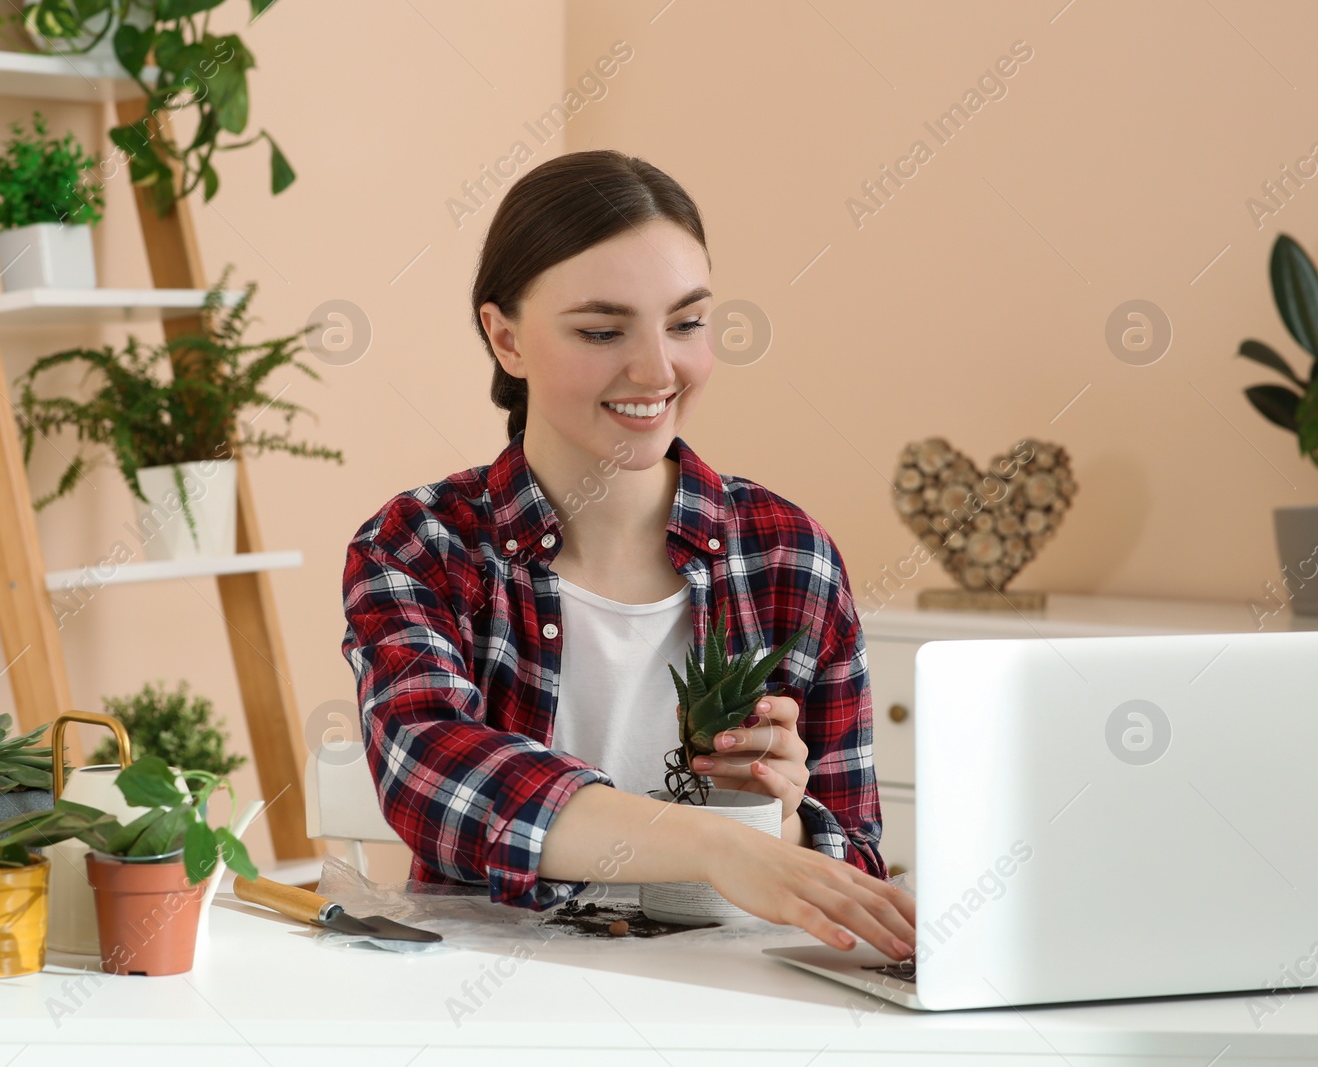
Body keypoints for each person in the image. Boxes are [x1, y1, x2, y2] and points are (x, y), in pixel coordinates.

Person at [340, 149, 916, 960]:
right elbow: (436, 777)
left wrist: (776, 818)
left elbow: (852, 867)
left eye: (686, 323)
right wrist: (716, 845)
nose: (657, 370)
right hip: (490, 1009)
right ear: (504, 337)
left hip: (735, 1009)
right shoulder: (420, 547)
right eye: (603, 330)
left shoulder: (792, 556)